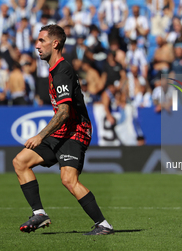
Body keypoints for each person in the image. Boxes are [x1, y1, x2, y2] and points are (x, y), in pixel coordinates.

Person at [12, 24, 114, 235]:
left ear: (55, 43)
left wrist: (40, 136)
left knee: (68, 179)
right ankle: (39, 213)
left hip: (75, 131)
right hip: (62, 131)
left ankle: (103, 225)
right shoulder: (54, 69)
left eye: (41, 41)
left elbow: (65, 112)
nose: (37, 45)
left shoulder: (62, 70)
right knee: (20, 162)